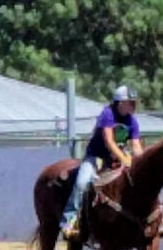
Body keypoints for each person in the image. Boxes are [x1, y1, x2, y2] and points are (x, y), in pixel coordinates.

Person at [60, 86, 145, 239]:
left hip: (118, 158)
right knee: (81, 183)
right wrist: (124, 159)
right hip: (96, 157)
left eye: (134, 102)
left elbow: (136, 145)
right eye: (130, 102)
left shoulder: (132, 121)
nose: (134, 105)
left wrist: (139, 162)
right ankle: (69, 221)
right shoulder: (108, 114)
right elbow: (109, 141)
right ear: (120, 103)